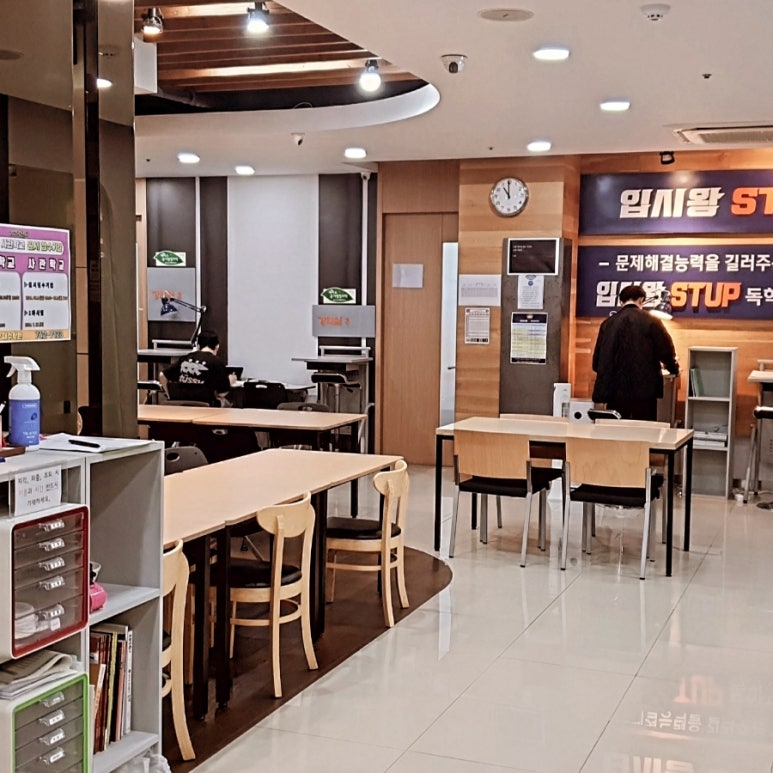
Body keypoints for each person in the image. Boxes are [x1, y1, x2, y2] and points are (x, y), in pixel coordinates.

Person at [591, 284, 679, 421]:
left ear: (621, 301)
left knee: (615, 428)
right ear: (641, 300)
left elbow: (597, 361)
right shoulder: (652, 321)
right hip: (645, 390)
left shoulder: (608, 323)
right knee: (644, 429)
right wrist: (673, 368)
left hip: (615, 391)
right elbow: (665, 350)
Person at [162, 330, 235, 406]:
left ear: (198, 345)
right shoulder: (217, 362)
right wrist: (230, 381)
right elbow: (222, 393)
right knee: (227, 402)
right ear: (217, 346)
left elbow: (162, 375)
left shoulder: (185, 359)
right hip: (206, 406)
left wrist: (169, 395)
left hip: (182, 405)